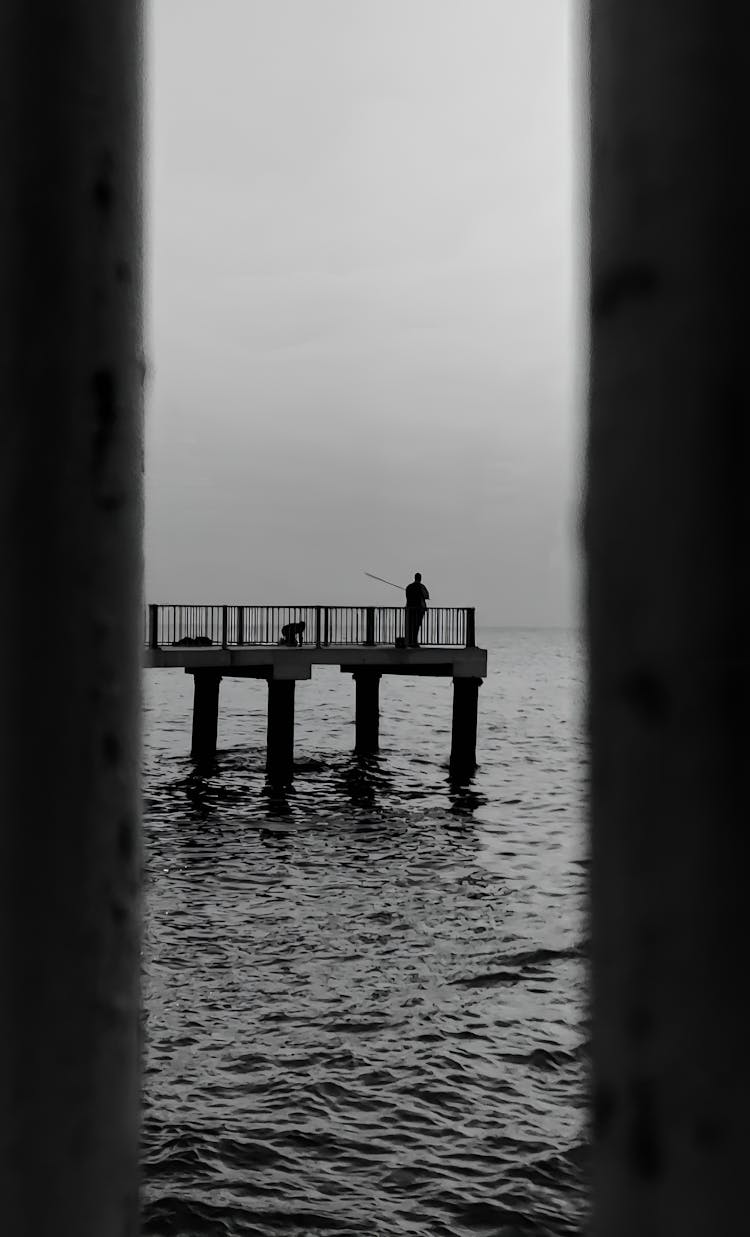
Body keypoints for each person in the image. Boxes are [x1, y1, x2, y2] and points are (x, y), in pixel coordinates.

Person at [405, 572, 429, 647]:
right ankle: (414, 642)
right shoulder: (421, 587)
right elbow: (426, 595)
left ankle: (409, 641)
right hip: (419, 610)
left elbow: (407, 596)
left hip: (410, 609)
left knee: (410, 625)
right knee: (416, 626)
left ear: (414, 578)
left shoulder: (409, 587)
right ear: (420, 578)